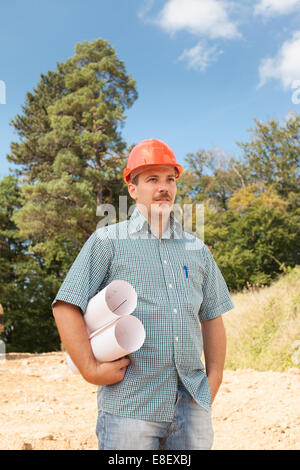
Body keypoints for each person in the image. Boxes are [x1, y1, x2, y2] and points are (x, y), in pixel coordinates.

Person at [52, 138, 234, 450]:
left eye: (170, 179)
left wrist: (212, 382)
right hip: (130, 408)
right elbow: (66, 306)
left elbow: (212, 317)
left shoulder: (198, 250)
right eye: (152, 179)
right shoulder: (108, 241)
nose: (164, 187)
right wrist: (90, 369)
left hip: (192, 407)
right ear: (133, 189)